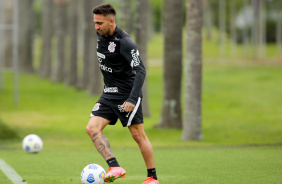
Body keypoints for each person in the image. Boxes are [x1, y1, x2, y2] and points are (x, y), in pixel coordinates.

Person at [86, 3, 159, 184]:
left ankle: (152, 178)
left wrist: (133, 99)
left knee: (138, 136)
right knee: (92, 128)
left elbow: (141, 70)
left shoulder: (125, 42)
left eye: (100, 23)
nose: (96, 27)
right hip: (108, 93)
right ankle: (114, 166)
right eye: (95, 23)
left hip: (127, 94)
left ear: (112, 21)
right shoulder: (100, 35)